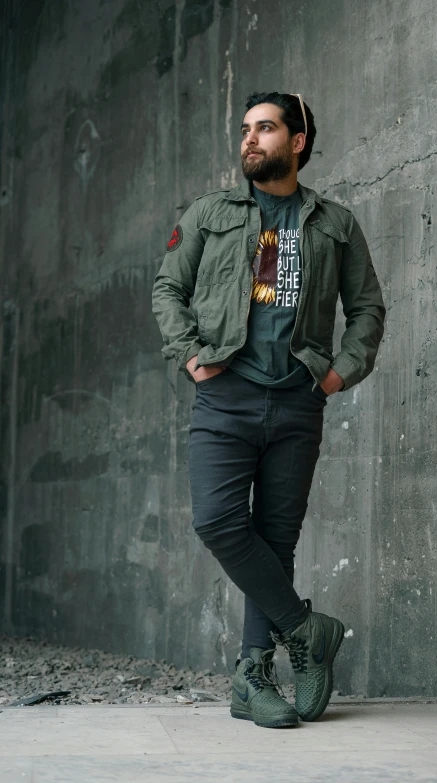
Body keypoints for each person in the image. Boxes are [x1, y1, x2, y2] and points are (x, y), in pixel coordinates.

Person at [152, 91, 386, 729]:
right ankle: (308, 631)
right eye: (246, 129)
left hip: (297, 398)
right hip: (226, 392)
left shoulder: (334, 224)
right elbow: (169, 286)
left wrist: (339, 373)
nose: (250, 140)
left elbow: (367, 308)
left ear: (299, 140)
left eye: (266, 129)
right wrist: (193, 357)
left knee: (275, 540)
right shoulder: (210, 212)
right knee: (221, 524)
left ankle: (251, 677)